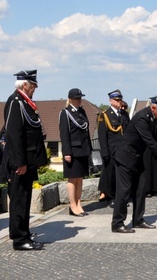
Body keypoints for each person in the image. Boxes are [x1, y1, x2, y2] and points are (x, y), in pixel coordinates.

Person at [111, 95, 157, 233]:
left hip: (136, 158)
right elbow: (149, 141)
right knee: (124, 191)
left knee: (141, 188)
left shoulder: (152, 117)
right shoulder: (142, 117)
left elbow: (156, 136)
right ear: (154, 108)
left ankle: (138, 220)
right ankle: (117, 223)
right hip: (125, 157)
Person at [4, 70, 48, 251]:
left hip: (28, 160)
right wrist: (20, 162)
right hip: (20, 162)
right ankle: (20, 239)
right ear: (24, 85)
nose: (34, 90)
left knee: (25, 198)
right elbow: (14, 135)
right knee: (19, 200)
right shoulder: (15, 102)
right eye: (32, 86)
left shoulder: (25, 103)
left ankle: (22, 232)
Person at [59, 88, 92, 217]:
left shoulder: (82, 111)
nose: (79, 100)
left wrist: (89, 148)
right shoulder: (65, 113)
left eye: (80, 98)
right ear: (71, 99)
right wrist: (67, 152)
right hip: (72, 150)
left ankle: (78, 203)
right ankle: (72, 206)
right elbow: (64, 134)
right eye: (77, 98)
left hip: (83, 149)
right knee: (72, 179)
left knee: (80, 178)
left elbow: (85, 131)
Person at [97, 89, 129, 204]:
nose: (119, 101)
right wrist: (105, 152)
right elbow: (102, 136)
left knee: (122, 175)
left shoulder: (124, 114)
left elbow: (128, 131)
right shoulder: (104, 115)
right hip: (111, 150)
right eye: (116, 100)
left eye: (120, 99)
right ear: (111, 101)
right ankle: (112, 197)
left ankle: (121, 196)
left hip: (123, 149)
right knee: (112, 174)